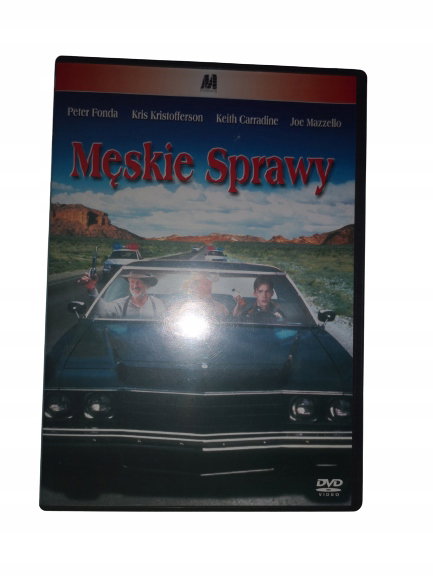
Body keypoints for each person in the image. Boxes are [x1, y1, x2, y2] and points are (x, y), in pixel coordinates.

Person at [79, 270, 165, 318]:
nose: (135, 286)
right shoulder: (120, 305)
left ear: (147, 285)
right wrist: (92, 288)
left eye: (139, 282)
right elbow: (102, 312)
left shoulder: (158, 304)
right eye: (132, 282)